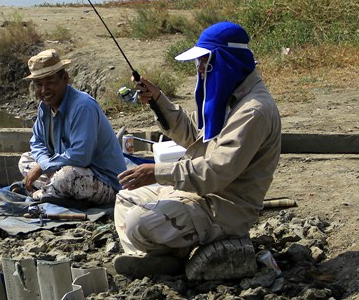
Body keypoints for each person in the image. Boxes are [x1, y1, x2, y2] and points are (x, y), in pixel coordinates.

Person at [113, 21, 281, 277]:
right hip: (200, 195)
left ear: (225, 60)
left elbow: (215, 172)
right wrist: (159, 101)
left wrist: (158, 172)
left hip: (224, 208)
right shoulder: (229, 96)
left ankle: (168, 259)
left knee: (138, 222)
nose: (200, 69)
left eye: (205, 61)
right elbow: (195, 134)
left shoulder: (253, 111)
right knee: (125, 198)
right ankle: (158, 259)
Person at [18, 48, 126, 206]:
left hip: (102, 180)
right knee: (25, 160)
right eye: (39, 84)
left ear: (65, 78)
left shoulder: (82, 106)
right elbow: (37, 142)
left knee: (68, 176)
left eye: (50, 83)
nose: (44, 90)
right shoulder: (45, 106)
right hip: (61, 169)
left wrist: (43, 167)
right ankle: (53, 190)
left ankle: (43, 193)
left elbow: (80, 156)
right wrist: (43, 163)